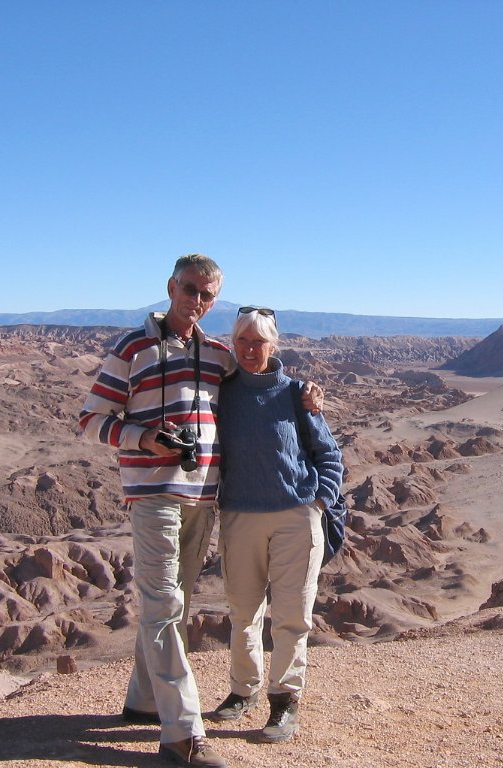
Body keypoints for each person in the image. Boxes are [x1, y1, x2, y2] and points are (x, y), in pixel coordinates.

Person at [78, 255, 321, 768]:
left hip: (203, 500)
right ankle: (183, 733)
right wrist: (142, 437)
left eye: (207, 295)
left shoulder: (217, 354)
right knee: (164, 604)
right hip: (153, 496)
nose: (197, 301)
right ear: (171, 287)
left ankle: (144, 700)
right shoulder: (132, 347)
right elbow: (92, 418)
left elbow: (262, 374)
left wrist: (306, 393)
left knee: (178, 603)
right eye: (190, 289)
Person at [211, 305, 344, 744]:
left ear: (275, 345)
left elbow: (328, 453)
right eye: (242, 341)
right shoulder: (221, 393)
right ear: (233, 344)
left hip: (295, 517)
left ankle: (285, 702)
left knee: (291, 616)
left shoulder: (297, 394)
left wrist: (320, 502)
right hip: (239, 516)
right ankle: (242, 691)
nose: (250, 350)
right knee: (243, 612)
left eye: (259, 342)